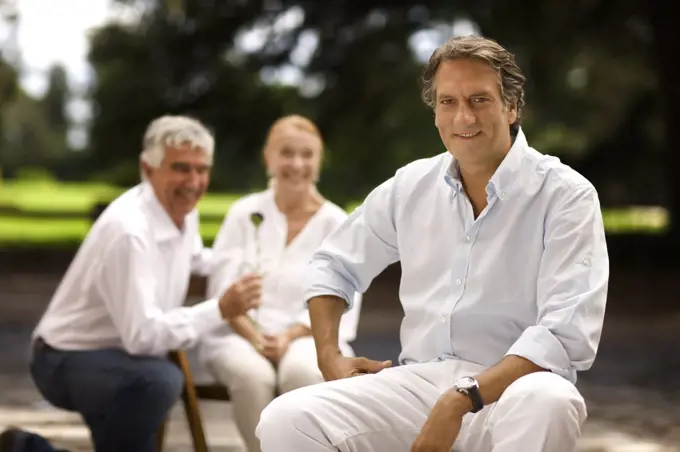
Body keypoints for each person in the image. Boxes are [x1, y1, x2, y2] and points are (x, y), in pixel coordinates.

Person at [255, 36, 609, 452]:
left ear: (511, 108)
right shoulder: (410, 186)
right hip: (420, 382)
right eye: (447, 102)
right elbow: (332, 265)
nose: (463, 116)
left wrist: (461, 399)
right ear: (435, 111)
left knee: (552, 400)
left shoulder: (566, 195)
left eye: (479, 100)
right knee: (287, 419)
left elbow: (565, 335)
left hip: (516, 390)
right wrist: (329, 356)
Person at [1, 115, 262, 452]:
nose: (194, 181)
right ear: (147, 169)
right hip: (66, 359)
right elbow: (143, 337)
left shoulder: (181, 211)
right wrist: (222, 308)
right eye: (181, 168)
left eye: (202, 169)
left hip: (117, 356)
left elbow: (195, 258)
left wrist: (249, 261)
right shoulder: (130, 231)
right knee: (159, 380)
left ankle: (26, 449)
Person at [198, 115, 362, 452]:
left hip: (309, 336)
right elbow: (221, 293)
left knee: (303, 371)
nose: (297, 164)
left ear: (319, 162)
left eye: (307, 155)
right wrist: (255, 337)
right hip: (236, 335)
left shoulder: (337, 222)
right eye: (286, 153)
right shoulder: (243, 213)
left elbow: (344, 302)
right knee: (252, 375)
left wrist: (288, 337)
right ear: (268, 158)